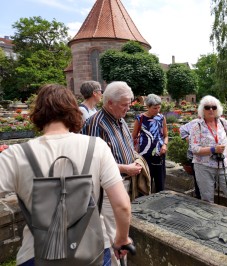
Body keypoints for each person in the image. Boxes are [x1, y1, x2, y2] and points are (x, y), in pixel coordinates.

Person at [0, 84, 131, 266]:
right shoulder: (97, 147)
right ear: (73, 111)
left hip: (37, 254)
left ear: (37, 113)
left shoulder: (14, 155)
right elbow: (122, 206)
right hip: (91, 252)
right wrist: (122, 239)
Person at [81, 81, 143, 266]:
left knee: (122, 231)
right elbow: (93, 163)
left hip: (124, 184)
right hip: (107, 190)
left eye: (129, 103)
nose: (128, 107)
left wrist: (136, 159)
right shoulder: (95, 124)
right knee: (112, 234)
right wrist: (126, 168)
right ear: (109, 103)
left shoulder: (121, 119)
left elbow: (128, 147)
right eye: (124, 104)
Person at [190, 95, 227, 210]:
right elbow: (194, 149)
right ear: (202, 110)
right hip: (203, 166)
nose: (211, 110)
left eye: (214, 107)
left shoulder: (222, 122)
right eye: (207, 107)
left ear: (217, 108)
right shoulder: (197, 126)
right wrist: (213, 149)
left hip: (223, 165)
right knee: (208, 200)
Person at [132, 94, 168, 193]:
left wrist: (164, 145)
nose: (157, 110)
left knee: (160, 182)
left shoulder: (161, 118)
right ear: (147, 107)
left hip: (159, 154)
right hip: (145, 155)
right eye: (154, 108)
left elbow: (166, 135)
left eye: (159, 108)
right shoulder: (140, 118)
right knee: (146, 181)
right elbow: (133, 136)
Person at [180, 118, 201, 199]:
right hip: (195, 157)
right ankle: (199, 198)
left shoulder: (219, 122)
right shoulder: (196, 122)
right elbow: (182, 129)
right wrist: (187, 138)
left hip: (210, 158)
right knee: (198, 180)